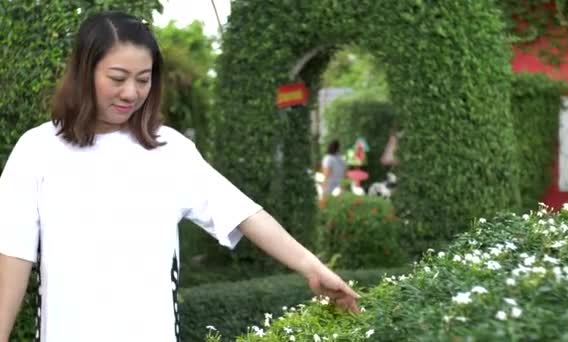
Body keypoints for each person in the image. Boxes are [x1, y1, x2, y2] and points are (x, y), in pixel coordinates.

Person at [0, 11, 359, 342]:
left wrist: (312, 267)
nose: (131, 93)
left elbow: (244, 213)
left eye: (143, 80)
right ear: (84, 72)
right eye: (117, 78)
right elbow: (12, 260)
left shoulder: (170, 150)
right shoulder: (37, 150)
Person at [320, 139, 347, 205]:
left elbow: (326, 173)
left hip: (329, 185)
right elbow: (345, 173)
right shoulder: (341, 159)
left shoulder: (328, 158)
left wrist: (323, 185)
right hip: (340, 185)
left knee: (325, 205)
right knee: (338, 205)